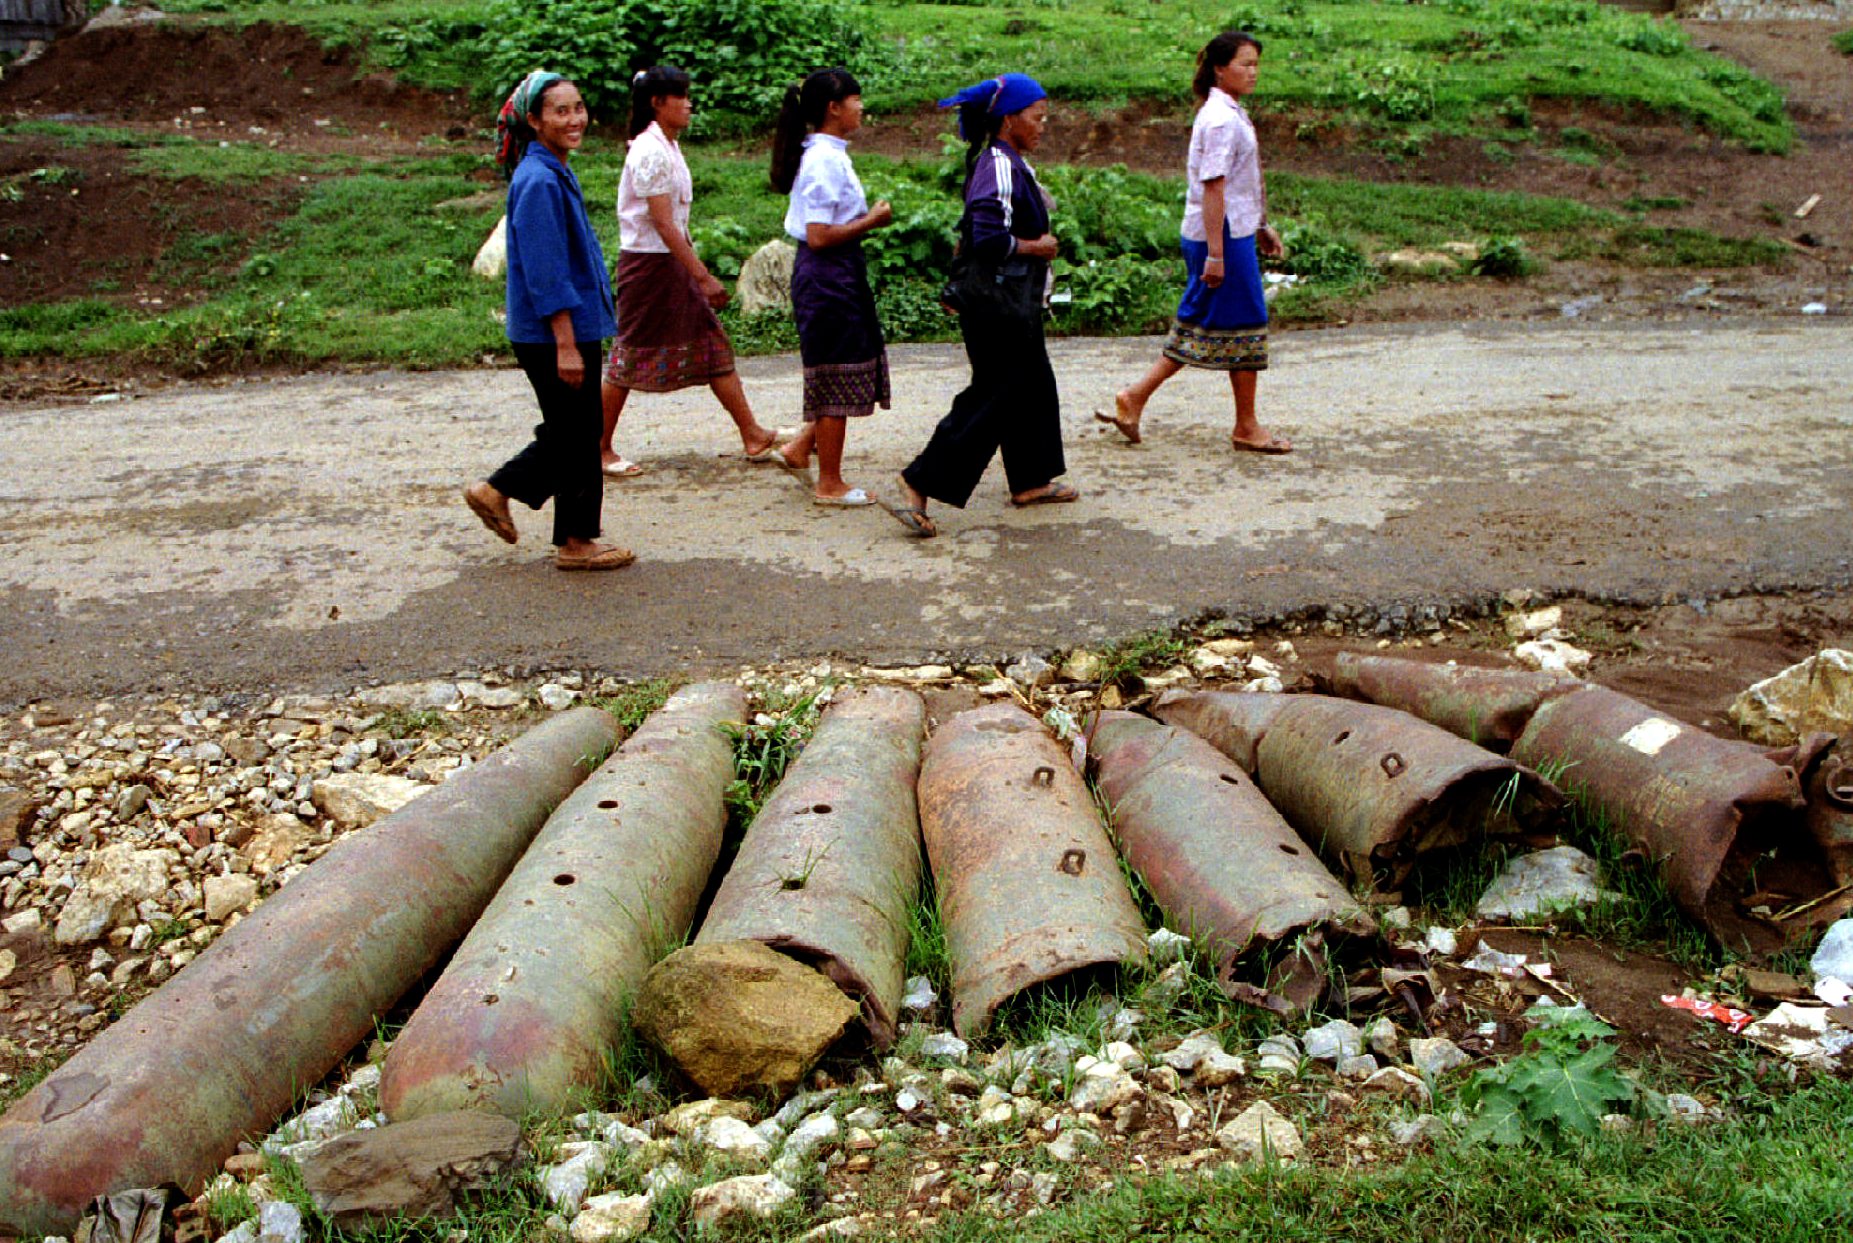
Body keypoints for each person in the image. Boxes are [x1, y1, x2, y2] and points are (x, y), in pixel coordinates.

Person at [882, 72, 1074, 539]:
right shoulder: (999, 165)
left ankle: (1030, 480)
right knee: (994, 394)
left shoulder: (1003, 160)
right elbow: (988, 239)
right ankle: (918, 481)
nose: (1043, 125)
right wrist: (1037, 247)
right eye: (1036, 117)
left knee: (1031, 382)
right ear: (1009, 120)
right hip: (998, 305)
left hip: (1011, 302)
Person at [464, 71, 633, 571]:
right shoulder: (539, 179)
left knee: (575, 429)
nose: (574, 118)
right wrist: (565, 343)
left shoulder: (551, 168)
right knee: (576, 433)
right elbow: (546, 271)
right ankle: (555, 528)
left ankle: (557, 526)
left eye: (578, 107)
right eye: (560, 111)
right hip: (556, 332)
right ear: (534, 120)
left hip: (567, 328)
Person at [1099, 31, 1291, 455]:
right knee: (1242, 323)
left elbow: (1241, 184)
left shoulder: (1227, 111)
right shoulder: (1221, 118)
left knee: (1204, 318)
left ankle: (1136, 398)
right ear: (1220, 69)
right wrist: (1219, 254)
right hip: (1219, 236)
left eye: (1257, 64)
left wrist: (1261, 224)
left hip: (1228, 231)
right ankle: (1245, 425)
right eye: (1245, 64)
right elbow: (1214, 189)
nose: (1253, 72)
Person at [599, 65, 784, 476]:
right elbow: (663, 224)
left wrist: (692, 269)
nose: (689, 104)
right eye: (680, 97)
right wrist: (701, 274)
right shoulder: (648, 151)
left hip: (673, 261)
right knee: (629, 353)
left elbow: (675, 225)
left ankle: (751, 432)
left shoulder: (669, 146)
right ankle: (599, 445)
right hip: (649, 268)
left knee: (711, 342)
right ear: (657, 103)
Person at [768, 68, 893, 507]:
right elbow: (819, 235)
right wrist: (872, 221)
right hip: (827, 274)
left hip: (836, 273)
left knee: (837, 365)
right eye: (856, 99)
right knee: (835, 372)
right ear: (833, 108)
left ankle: (801, 447)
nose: (862, 107)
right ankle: (830, 483)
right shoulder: (823, 158)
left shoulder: (829, 153)